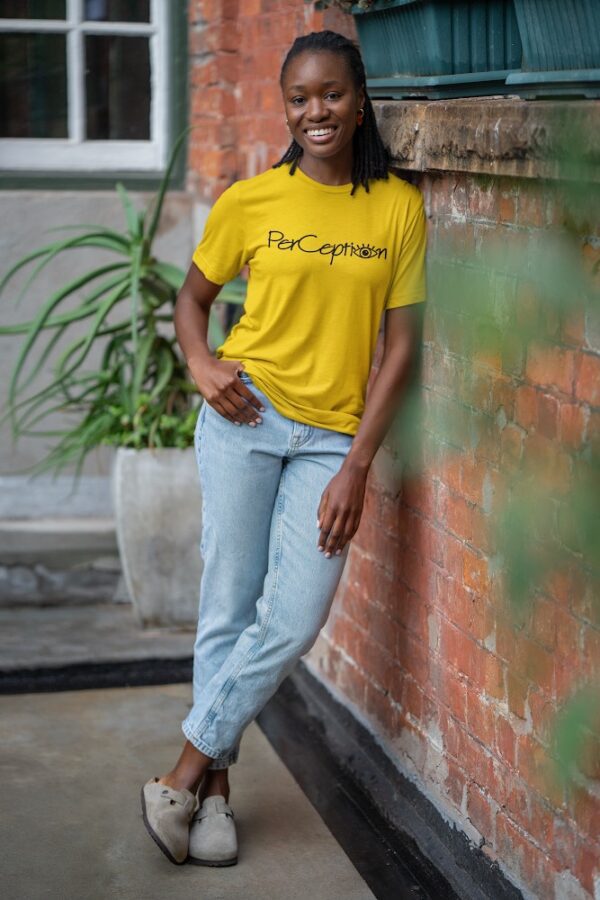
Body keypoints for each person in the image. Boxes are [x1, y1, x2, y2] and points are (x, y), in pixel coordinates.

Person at [141, 29, 427, 868]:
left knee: (295, 615)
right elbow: (190, 302)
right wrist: (200, 366)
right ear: (286, 107)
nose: (315, 112)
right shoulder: (252, 201)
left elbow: (402, 348)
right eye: (299, 98)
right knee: (228, 603)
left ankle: (185, 771)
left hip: (331, 438)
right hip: (244, 416)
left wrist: (357, 467)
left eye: (330, 95)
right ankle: (213, 801)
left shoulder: (396, 209)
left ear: (360, 99)